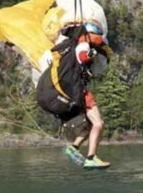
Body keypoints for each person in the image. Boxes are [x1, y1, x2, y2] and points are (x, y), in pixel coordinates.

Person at [36, 21, 111, 169]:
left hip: (70, 91)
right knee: (98, 123)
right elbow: (83, 56)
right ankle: (91, 157)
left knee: (90, 124)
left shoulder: (69, 46)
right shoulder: (83, 43)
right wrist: (91, 54)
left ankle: (74, 147)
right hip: (80, 91)